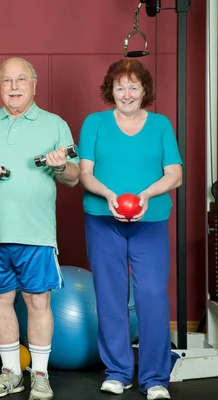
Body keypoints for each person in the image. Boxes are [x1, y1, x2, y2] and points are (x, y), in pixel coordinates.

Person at [0, 57, 80, 400]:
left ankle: (39, 376)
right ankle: (11, 373)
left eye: (21, 80)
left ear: (34, 85)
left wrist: (59, 167)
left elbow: (73, 178)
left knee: (37, 301)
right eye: (7, 81)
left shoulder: (55, 124)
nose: (14, 87)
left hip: (37, 234)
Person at [78, 59, 182, 400]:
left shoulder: (161, 125)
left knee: (152, 297)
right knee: (110, 297)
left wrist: (146, 196)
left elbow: (174, 174)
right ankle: (118, 372)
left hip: (149, 223)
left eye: (133, 87)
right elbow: (85, 173)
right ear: (111, 90)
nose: (126, 94)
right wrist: (109, 195)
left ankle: (154, 378)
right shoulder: (94, 123)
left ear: (144, 90)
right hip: (102, 219)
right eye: (120, 87)